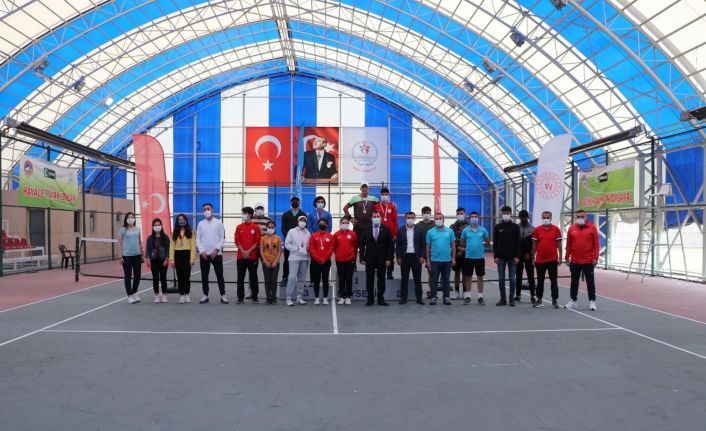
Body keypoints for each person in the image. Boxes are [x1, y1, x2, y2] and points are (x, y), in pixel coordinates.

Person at [565, 209, 600, 311]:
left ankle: (592, 301)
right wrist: (567, 257)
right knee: (574, 282)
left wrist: (595, 258)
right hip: (575, 261)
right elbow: (568, 244)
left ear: (586, 217)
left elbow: (596, 244)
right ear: (576, 217)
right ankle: (573, 301)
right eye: (578, 217)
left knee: (590, 282)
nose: (580, 218)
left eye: (582, 216)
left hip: (588, 261)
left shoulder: (592, 228)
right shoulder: (571, 228)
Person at [358, 209, 394, 306]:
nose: (376, 218)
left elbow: (390, 246)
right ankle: (370, 299)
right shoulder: (366, 229)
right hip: (369, 258)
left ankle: (380, 299)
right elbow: (362, 245)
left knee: (381, 279)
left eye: (378, 216)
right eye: (374, 217)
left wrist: (389, 259)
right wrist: (361, 258)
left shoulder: (386, 229)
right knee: (369, 279)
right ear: (371, 218)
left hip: (382, 259)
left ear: (381, 218)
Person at [196, 203, 228, 304]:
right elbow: (198, 239)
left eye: (208, 209)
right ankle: (205, 295)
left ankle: (223, 295)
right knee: (204, 276)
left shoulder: (219, 223)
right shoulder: (200, 224)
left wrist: (217, 249)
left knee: (219, 275)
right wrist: (201, 251)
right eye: (204, 209)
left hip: (217, 255)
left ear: (212, 210)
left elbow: (222, 237)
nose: (206, 211)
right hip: (204, 255)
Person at [531, 211, 563, 309]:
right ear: (542, 218)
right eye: (544, 217)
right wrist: (533, 258)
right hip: (540, 260)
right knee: (540, 281)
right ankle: (539, 300)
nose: (546, 219)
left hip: (552, 260)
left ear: (551, 218)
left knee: (554, 281)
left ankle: (554, 300)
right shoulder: (537, 230)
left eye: (548, 217)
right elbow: (534, 245)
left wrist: (560, 257)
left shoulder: (556, 229)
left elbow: (559, 245)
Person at [460, 211, 490, 305]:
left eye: (475, 216)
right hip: (468, 257)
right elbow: (461, 242)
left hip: (480, 258)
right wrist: (468, 246)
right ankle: (468, 297)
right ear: (469, 219)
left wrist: (480, 245)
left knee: (480, 277)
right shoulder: (465, 230)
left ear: (478, 218)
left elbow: (487, 242)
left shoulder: (483, 230)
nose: (474, 218)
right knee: (468, 277)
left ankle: (480, 297)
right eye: (472, 217)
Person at [425, 213, 456, 305]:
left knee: (446, 280)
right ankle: (433, 297)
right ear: (434, 220)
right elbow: (428, 247)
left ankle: (446, 297)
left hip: (447, 260)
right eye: (436, 218)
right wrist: (428, 260)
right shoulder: (430, 232)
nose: (438, 220)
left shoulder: (450, 231)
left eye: (440, 218)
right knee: (434, 280)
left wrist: (453, 258)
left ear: (443, 219)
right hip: (434, 261)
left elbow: (453, 245)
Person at [396, 211, 426, 304]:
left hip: (416, 257)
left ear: (415, 218)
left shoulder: (420, 230)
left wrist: (422, 256)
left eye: (412, 217)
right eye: (408, 217)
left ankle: (419, 298)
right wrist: (398, 257)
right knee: (404, 279)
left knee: (417, 279)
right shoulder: (400, 230)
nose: (410, 219)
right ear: (405, 218)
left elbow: (423, 245)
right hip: (405, 257)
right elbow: (398, 245)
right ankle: (403, 298)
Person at [493, 206, 520, 306]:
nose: (506, 215)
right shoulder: (498, 227)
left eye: (507, 213)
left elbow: (518, 242)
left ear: (511, 214)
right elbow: (495, 242)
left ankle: (511, 299)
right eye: (504, 213)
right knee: (501, 278)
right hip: (500, 257)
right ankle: (503, 299)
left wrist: (517, 256)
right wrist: (495, 256)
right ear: (501, 214)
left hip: (513, 257)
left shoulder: (515, 227)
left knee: (512, 279)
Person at [234, 206, 261, 304]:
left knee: (253, 277)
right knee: (240, 278)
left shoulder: (256, 227)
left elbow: (257, 242)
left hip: (252, 257)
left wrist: (248, 251)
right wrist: (243, 251)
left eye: (243, 213)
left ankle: (255, 297)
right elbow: (237, 241)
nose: (242, 215)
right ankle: (240, 298)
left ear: (249, 214)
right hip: (241, 257)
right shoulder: (239, 227)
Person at [169, 213, 196, 304]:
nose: (181, 221)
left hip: (187, 254)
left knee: (186, 276)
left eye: (183, 219)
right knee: (179, 276)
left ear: (185, 220)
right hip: (177, 254)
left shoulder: (190, 232)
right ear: (177, 221)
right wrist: (172, 260)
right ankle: (181, 295)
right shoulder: (174, 233)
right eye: (179, 219)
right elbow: (171, 247)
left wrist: (192, 259)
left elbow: (193, 246)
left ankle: (187, 294)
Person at [284, 215, 311, 306]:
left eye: (304, 220)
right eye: (301, 220)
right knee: (292, 277)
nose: (302, 222)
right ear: (298, 221)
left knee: (302, 278)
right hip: (294, 258)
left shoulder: (308, 233)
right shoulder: (292, 231)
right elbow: (287, 244)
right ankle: (288, 297)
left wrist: (308, 249)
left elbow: (309, 245)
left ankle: (299, 297)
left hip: (305, 258)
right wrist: (296, 249)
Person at [117, 212, 143, 303]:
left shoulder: (138, 229)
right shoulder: (122, 229)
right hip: (126, 256)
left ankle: (134, 292)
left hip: (137, 255)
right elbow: (119, 243)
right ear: (126, 219)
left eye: (132, 217)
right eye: (128, 217)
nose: (130, 218)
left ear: (134, 219)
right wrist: (120, 256)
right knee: (128, 276)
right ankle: (129, 296)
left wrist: (142, 253)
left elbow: (140, 242)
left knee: (137, 275)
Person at [373, 187, 398, 279]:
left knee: (390, 254)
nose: (384, 196)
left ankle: (390, 272)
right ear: (380, 195)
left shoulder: (392, 206)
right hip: (379, 234)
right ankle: (380, 271)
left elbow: (395, 221)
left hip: (390, 234)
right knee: (380, 253)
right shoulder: (376, 206)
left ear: (389, 195)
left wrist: (395, 234)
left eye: (386, 194)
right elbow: (373, 218)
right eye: (383, 194)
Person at [281, 197, 306, 287]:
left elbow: (304, 228)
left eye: (296, 201)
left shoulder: (303, 214)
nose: (295, 202)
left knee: (300, 261)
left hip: (299, 243)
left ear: (299, 202)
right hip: (289, 243)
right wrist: (289, 238)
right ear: (291, 203)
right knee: (286, 261)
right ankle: (285, 278)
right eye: (293, 201)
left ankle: (299, 280)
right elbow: (283, 228)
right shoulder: (285, 214)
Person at [309, 218, 335, 304]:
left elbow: (331, 249)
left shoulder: (330, 236)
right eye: (320, 223)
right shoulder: (314, 236)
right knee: (316, 280)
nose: (322, 224)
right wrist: (318, 259)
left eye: (324, 223)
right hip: (315, 262)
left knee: (325, 280)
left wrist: (324, 259)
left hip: (326, 261)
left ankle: (325, 298)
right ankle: (316, 298)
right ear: (318, 225)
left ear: (327, 225)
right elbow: (312, 249)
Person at [334, 216, 358, 305]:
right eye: (343, 223)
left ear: (349, 224)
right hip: (339, 260)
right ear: (340, 224)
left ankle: (348, 296)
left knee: (348, 278)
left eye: (346, 223)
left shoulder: (353, 234)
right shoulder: (336, 234)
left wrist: (353, 257)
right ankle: (342, 296)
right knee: (341, 278)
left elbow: (355, 246)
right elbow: (335, 247)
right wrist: (338, 254)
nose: (344, 224)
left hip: (350, 259)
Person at [145, 218, 169, 303]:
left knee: (163, 278)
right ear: (153, 227)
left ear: (161, 226)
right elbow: (148, 249)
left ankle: (164, 295)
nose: (157, 226)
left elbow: (168, 249)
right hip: (154, 261)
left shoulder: (165, 237)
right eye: (155, 225)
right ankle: (156, 295)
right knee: (155, 278)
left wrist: (166, 259)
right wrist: (148, 259)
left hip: (163, 261)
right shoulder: (150, 238)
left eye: (159, 225)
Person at [515, 209, 537, 303]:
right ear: (519, 218)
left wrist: (530, 254)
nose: (524, 219)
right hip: (518, 255)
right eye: (522, 218)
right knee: (518, 276)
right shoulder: (516, 228)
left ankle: (533, 296)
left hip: (529, 255)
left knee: (530, 276)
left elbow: (534, 244)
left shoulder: (533, 229)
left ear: (528, 217)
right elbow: (514, 242)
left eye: (525, 217)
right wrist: (516, 255)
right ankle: (518, 295)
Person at [260, 220, 282, 305]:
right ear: (266, 228)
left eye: (272, 227)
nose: (270, 229)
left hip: (275, 263)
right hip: (266, 263)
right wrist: (265, 262)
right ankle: (268, 297)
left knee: (274, 280)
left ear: (275, 228)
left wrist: (275, 262)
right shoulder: (263, 238)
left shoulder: (278, 238)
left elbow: (279, 251)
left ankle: (273, 297)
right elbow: (261, 251)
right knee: (267, 280)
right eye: (269, 227)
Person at [450, 207, 469, 299]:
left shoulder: (469, 226)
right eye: (458, 213)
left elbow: (470, 239)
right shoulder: (452, 226)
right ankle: (456, 292)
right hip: (456, 252)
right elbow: (451, 240)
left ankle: (465, 291)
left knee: (465, 273)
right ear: (456, 215)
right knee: (457, 272)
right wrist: (458, 249)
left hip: (466, 252)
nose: (460, 215)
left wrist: (463, 249)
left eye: (462, 213)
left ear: (465, 214)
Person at [416, 206, 435, 297]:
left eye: (428, 213)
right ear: (422, 214)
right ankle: (418, 292)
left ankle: (432, 291)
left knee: (431, 272)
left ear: (430, 214)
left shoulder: (434, 224)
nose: (426, 214)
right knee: (417, 272)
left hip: (431, 251)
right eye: (424, 213)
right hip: (420, 252)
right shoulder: (417, 225)